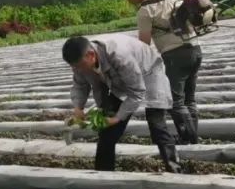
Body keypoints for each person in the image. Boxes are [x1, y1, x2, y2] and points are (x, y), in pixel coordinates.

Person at [62, 35, 181, 173]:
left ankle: (175, 169)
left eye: (80, 65)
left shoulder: (119, 55)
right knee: (107, 132)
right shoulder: (80, 64)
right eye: (74, 66)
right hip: (119, 81)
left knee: (157, 125)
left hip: (149, 73)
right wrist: (78, 108)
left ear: (91, 55)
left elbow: (136, 91)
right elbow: (80, 85)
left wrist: (117, 118)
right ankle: (103, 173)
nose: (78, 69)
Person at [118, 0, 201, 144]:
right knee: (189, 99)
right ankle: (192, 136)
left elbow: (144, 45)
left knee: (176, 102)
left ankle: (189, 140)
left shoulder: (145, 10)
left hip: (175, 56)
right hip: (195, 49)